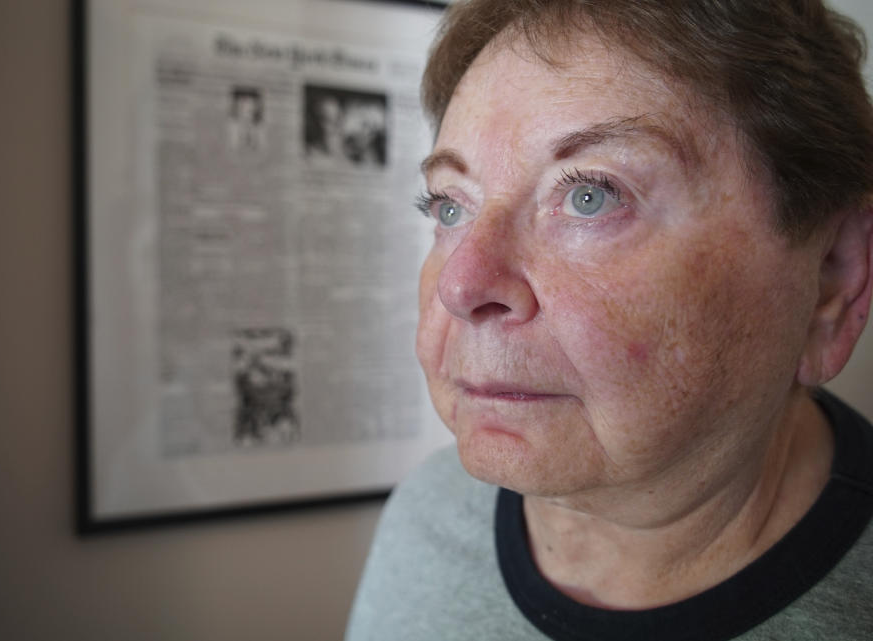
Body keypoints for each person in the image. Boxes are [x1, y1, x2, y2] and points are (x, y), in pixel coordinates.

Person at [346, 1, 873, 639]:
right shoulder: (426, 517)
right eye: (449, 206)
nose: (461, 286)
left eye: (590, 194)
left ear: (833, 279)